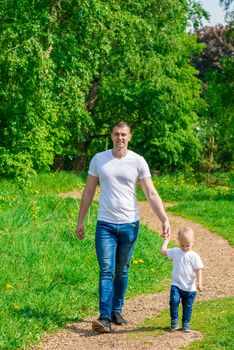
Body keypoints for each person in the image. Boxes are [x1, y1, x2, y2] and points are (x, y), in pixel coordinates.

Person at [76, 121, 170, 333]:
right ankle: (104, 317)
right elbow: (89, 192)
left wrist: (164, 219)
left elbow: (151, 193)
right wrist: (80, 220)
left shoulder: (138, 161)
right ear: (111, 136)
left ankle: (117, 310)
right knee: (106, 270)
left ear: (130, 137)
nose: (120, 137)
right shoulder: (99, 159)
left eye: (124, 134)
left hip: (129, 224)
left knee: (122, 270)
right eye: (116, 134)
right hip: (105, 225)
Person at [160, 226, 204, 333]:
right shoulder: (176, 251)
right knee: (174, 301)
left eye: (187, 245)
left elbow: (198, 270)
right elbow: (163, 251)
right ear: (178, 241)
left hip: (190, 288)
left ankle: (186, 324)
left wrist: (199, 282)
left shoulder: (194, 256)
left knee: (187, 307)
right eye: (182, 245)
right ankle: (174, 321)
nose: (184, 248)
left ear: (193, 242)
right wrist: (166, 240)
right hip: (176, 284)